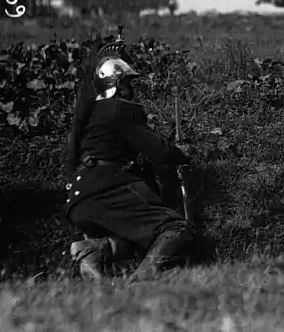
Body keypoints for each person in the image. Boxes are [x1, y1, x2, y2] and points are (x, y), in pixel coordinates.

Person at [64, 41, 195, 282]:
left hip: (79, 197)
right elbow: (158, 152)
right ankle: (143, 280)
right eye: (127, 83)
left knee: (139, 237)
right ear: (118, 85)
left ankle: (92, 249)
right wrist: (181, 153)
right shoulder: (119, 109)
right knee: (177, 229)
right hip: (106, 188)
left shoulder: (89, 115)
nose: (130, 89)